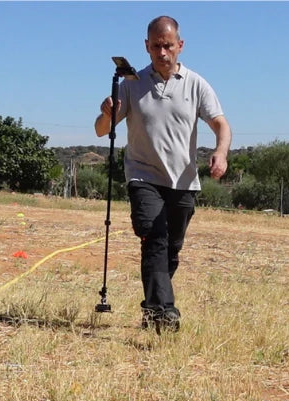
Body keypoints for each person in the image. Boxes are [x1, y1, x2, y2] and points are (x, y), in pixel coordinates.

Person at [94, 15, 231, 333]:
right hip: (143, 176)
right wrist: (106, 113)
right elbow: (102, 131)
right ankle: (163, 311)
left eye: (168, 45)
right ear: (147, 46)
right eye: (156, 46)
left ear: (180, 46)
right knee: (153, 237)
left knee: (171, 248)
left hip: (183, 181)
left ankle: (153, 308)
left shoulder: (196, 84)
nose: (162, 52)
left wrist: (221, 152)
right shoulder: (133, 84)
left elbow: (221, 124)